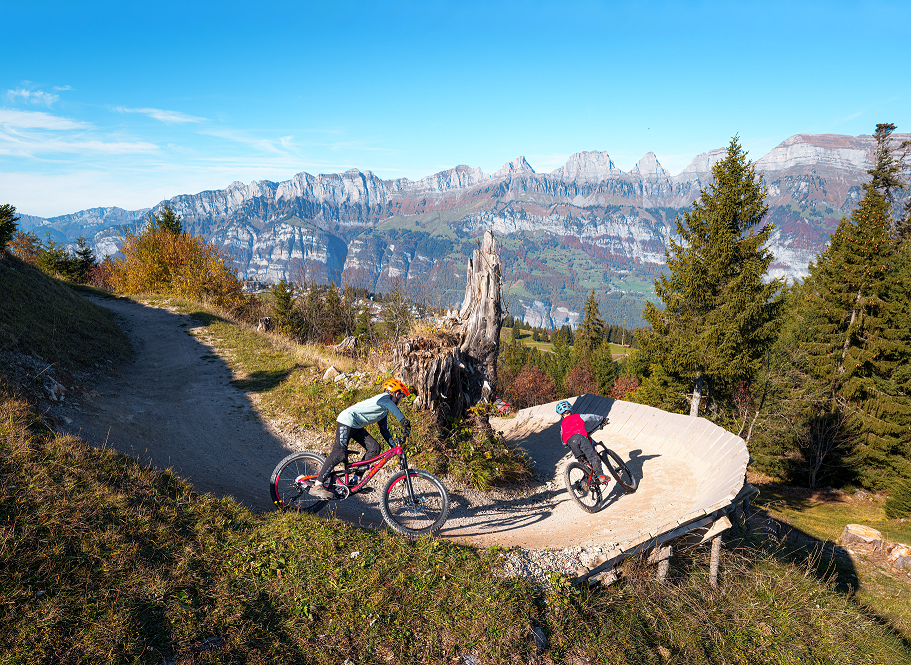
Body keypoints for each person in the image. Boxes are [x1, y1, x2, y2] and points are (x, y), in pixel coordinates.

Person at [310, 378, 412, 499]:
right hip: (346, 420)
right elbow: (390, 404)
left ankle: (355, 480)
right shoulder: (385, 398)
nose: (401, 400)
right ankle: (318, 484)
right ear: (396, 393)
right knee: (339, 454)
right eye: (401, 397)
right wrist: (402, 420)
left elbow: (384, 430)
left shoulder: (384, 409)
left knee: (374, 448)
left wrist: (394, 447)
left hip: (355, 425)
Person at [555, 400, 610, 485]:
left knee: (582, 461)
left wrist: (566, 444)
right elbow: (590, 417)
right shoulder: (578, 416)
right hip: (581, 438)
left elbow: (562, 436)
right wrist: (602, 419)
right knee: (592, 456)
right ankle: (600, 475)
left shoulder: (562, 424)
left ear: (560, 414)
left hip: (571, 442)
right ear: (571, 410)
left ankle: (588, 480)